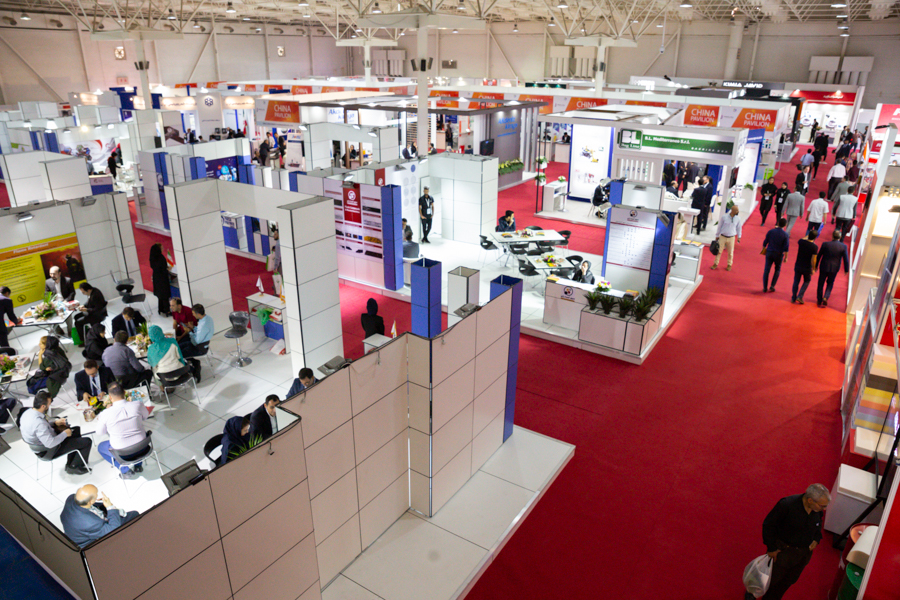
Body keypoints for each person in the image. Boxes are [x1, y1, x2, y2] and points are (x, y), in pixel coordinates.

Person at [750, 484, 830, 600]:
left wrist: (817, 538)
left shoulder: (817, 509)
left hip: (802, 555)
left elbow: (818, 524)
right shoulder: (787, 505)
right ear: (810, 500)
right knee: (769, 578)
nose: (824, 509)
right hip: (783, 552)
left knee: (787, 581)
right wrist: (771, 548)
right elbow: (769, 525)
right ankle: (752, 593)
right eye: (822, 505)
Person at [20, 391, 92, 475]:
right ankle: (73, 467)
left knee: (76, 430)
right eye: (49, 403)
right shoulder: (39, 423)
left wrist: (54, 423)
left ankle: (71, 463)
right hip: (48, 450)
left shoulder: (27, 413)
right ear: (43, 406)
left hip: (40, 445)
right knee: (87, 441)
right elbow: (50, 443)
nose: (50, 405)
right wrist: (65, 433)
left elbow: (40, 428)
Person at [95, 382, 150, 477]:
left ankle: (125, 470)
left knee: (100, 447)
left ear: (110, 397)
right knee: (137, 437)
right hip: (143, 448)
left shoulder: (105, 414)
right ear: (124, 393)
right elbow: (145, 417)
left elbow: (100, 433)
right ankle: (138, 465)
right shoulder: (138, 404)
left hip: (123, 454)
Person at [60, 484, 139, 547]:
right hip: (86, 542)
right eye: (96, 494)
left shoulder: (71, 498)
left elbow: (93, 508)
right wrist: (110, 507)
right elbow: (113, 528)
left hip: (75, 531)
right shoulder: (91, 523)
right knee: (134, 514)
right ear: (91, 501)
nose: (97, 495)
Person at [816, 230, 850, 308]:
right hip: (834, 268)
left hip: (824, 266)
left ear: (832, 236)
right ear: (840, 237)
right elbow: (846, 259)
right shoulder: (843, 246)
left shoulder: (825, 244)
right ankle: (826, 296)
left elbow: (819, 255)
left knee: (820, 283)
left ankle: (819, 300)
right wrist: (846, 269)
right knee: (830, 283)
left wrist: (816, 265)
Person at [762, 218, 790, 293]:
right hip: (778, 254)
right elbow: (786, 247)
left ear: (777, 223)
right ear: (785, 225)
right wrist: (786, 257)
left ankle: (765, 287)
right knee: (777, 269)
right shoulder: (785, 235)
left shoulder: (771, 231)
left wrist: (764, 249)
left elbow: (765, 242)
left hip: (769, 252)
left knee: (766, 270)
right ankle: (772, 285)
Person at [711, 205, 743, 271]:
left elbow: (739, 228)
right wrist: (717, 235)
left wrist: (739, 236)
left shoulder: (738, 219)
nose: (738, 211)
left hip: (732, 237)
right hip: (723, 236)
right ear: (732, 210)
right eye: (736, 210)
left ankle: (729, 264)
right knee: (719, 251)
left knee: (730, 252)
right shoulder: (724, 217)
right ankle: (715, 263)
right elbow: (719, 226)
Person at [791, 230, 819, 304]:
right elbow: (814, 259)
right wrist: (813, 268)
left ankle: (793, 297)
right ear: (815, 237)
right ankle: (800, 296)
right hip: (807, 267)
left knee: (796, 281)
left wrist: (808, 235)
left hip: (798, 265)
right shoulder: (814, 247)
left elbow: (803, 238)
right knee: (807, 281)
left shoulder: (801, 242)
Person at [149, 243, 171, 317]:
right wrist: (168, 269)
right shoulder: (160, 258)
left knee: (160, 295)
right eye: (161, 248)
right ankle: (167, 310)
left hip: (156, 278)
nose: (163, 249)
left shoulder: (153, 258)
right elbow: (163, 270)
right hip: (162, 279)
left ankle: (160, 309)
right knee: (165, 295)